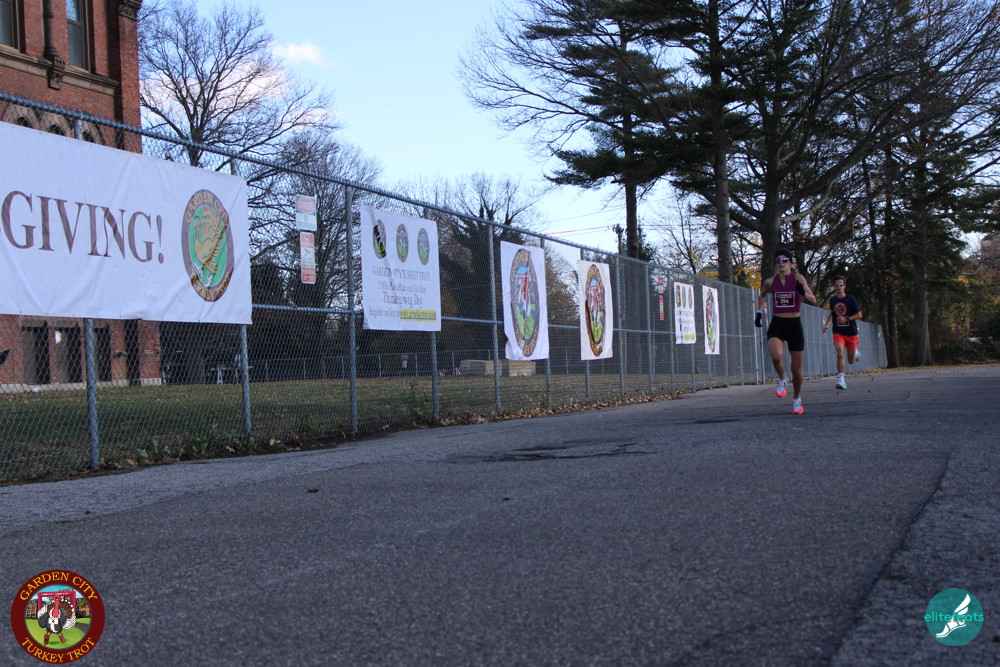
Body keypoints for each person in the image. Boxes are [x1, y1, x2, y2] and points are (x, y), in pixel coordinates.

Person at [755, 248, 817, 414]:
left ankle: (797, 399)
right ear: (775, 264)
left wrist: (802, 292)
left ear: (790, 262)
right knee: (776, 356)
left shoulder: (798, 278)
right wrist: (759, 313)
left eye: (784, 260)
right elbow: (762, 295)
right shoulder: (770, 282)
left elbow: (813, 300)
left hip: (794, 324)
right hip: (778, 323)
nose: (781, 263)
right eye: (778, 260)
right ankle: (782, 378)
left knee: (796, 370)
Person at [822, 276, 863, 390]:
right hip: (838, 332)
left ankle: (856, 353)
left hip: (851, 332)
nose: (838, 287)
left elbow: (859, 315)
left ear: (844, 286)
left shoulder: (850, 299)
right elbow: (833, 314)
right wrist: (827, 325)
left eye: (840, 284)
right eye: (836, 285)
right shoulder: (833, 300)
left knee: (851, 361)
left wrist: (847, 318)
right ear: (834, 287)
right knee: (839, 353)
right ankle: (841, 380)